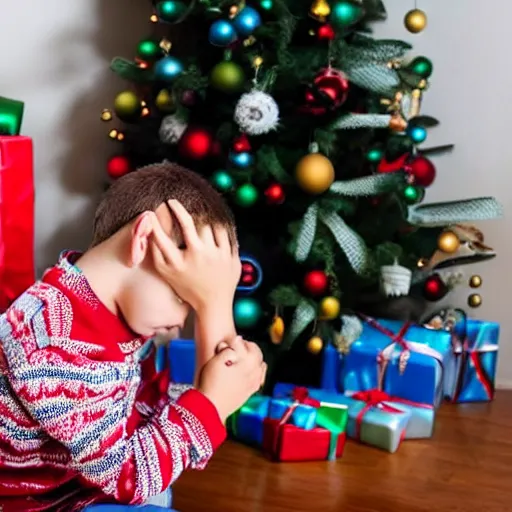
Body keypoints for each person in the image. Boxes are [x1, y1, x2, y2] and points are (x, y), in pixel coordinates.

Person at [0, 162, 266, 511]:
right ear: (144, 241)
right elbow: (130, 479)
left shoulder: (98, 311)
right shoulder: (59, 346)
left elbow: (149, 420)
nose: (178, 323)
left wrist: (215, 305)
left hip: (80, 485)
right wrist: (211, 404)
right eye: (183, 298)